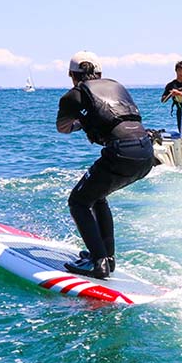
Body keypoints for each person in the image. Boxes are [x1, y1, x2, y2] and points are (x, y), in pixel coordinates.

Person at [56, 51, 154, 279]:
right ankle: (107, 257)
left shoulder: (74, 95)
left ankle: (98, 263)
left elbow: (63, 127)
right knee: (97, 196)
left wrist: (81, 121)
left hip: (120, 153)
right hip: (146, 153)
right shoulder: (117, 85)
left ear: (73, 75)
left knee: (78, 201)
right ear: (99, 73)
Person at [161, 60, 182, 134]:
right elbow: (163, 100)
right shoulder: (171, 85)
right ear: (176, 71)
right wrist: (170, 95)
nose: (181, 73)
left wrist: (178, 93)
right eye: (179, 70)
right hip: (180, 110)